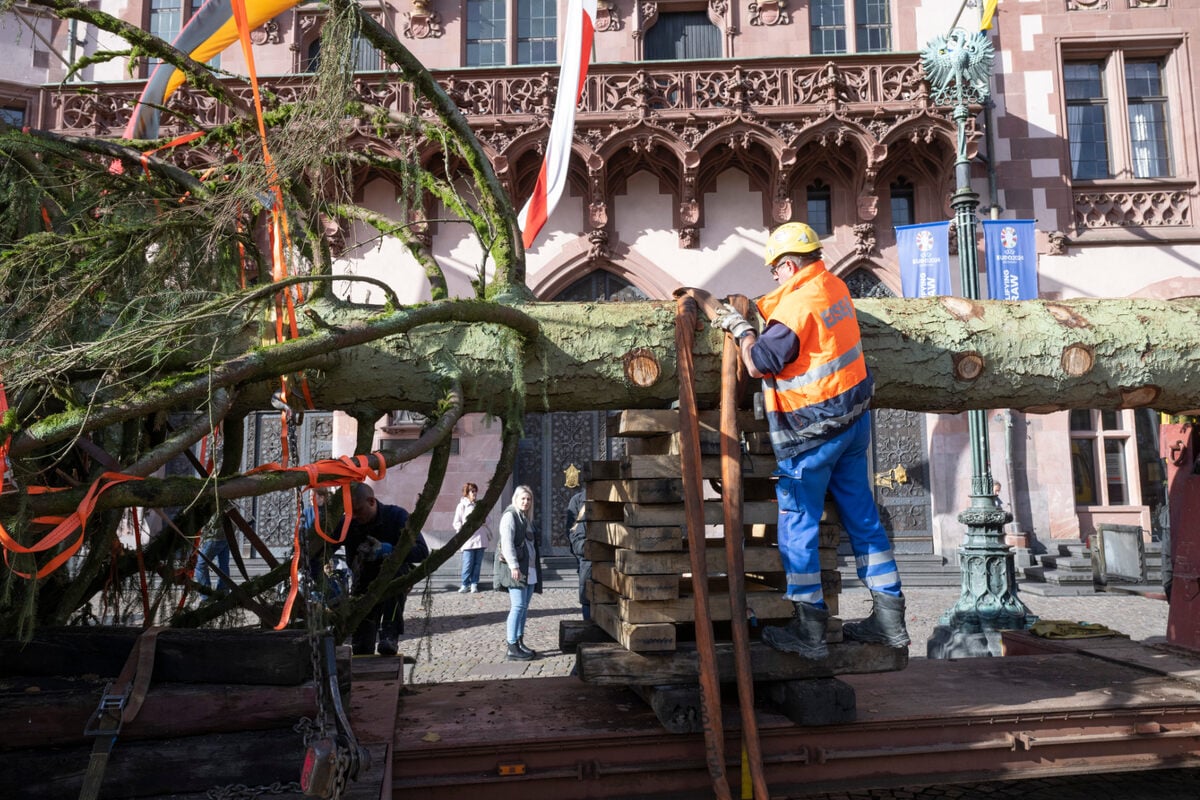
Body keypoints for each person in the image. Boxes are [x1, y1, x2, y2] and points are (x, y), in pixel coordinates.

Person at [708, 221, 910, 659]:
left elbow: (762, 362)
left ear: (787, 263)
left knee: (797, 524)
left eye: (775, 270)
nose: (775, 277)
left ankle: (810, 631)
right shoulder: (835, 287)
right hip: (854, 423)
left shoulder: (798, 305)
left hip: (812, 435)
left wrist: (742, 330)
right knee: (864, 520)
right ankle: (890, 621)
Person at [337, 483, 429, 656]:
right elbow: (322, 547)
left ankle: (390, 633)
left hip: (393, 583)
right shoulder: (349, 522)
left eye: (357, 511)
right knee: (361, 648)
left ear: (372, 501)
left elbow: (422, 551)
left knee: (387, 645)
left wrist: (389, 551)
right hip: (363, 585)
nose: (355, 517)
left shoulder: (396, 516)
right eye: (350, 513)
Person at [494, 485, 542, 661]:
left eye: (528, 499)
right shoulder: (510, 516)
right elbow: (506, 544)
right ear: (516, 499)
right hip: (516, 569)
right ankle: (512, 645)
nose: (526, 502)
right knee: (517, 607)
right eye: (523, 498)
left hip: (529, 569)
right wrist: (514, 566)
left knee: (524, 608)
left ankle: (520, 642)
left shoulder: (525, 518)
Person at [453, 482, 492, 593]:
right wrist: (461, 531)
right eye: (472, 491)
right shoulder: (462, 506)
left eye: (475, 491)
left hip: (480, 538)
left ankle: (474, 583)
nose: (474, 493)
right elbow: (456, 522)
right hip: (468, 540)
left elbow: (489, 520)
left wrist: (483, 520)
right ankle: (465, 584)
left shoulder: (479, 505)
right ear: (467, 493)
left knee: (477, 564)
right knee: (468, 563)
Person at [566, 483, 590, 621]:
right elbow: (571, 530)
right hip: (586, 558)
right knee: (587, 597)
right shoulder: (577, 500)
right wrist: (582, 548)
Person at [193, 516, 232, 597]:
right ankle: (223, 593)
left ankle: (206, 597)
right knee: (223, 565)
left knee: (201, 566)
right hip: (226, 533)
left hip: (215, 536)